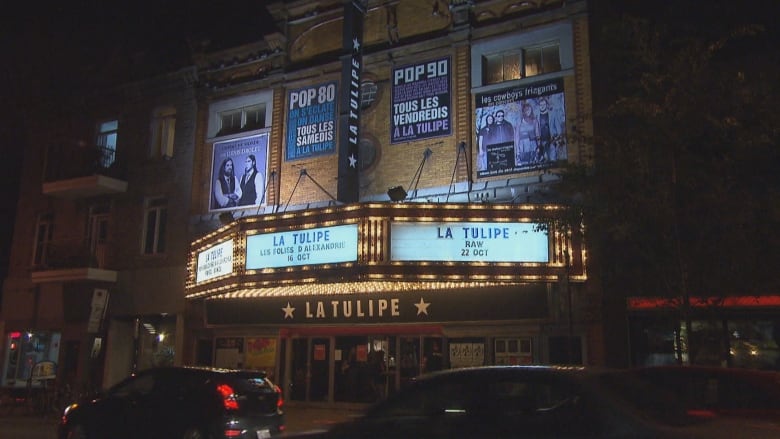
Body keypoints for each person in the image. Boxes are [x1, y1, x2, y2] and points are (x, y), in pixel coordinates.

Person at [537, 97, 564, 162]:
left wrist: (558, 139)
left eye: (544, 105)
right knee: (543, 162)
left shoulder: (553, 114)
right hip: (541, 143)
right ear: (539, 106)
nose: (542, 106)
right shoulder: (536, 116)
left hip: (551, 141)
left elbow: (558, 128)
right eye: (541, 105)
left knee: (553, 159)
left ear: (546, 105)